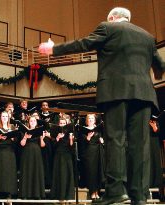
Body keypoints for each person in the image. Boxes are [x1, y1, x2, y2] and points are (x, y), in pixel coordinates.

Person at [39, 7, 165, 205]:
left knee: (115, 140)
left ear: (113, 18)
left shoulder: (108, 28)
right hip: (143, 94)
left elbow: (84, 44)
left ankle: (116, 192)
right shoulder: (147, 37)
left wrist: (54, 49)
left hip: (116, 91)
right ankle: (139, 196)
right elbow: (160, 67)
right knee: (140, 146)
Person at [0, 111, 18, 198]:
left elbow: (16, 140)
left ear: (8, 118)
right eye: (3, 116)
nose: (5, 118)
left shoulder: (12, 127)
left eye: (6, 116)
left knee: (8, 172)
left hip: (9, 151)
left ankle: (9, 192)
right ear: (0, 117)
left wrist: (12, 137)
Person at [78, 114, 105, 200]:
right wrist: (87, 138)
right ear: (86, 120)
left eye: (92, 118)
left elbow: (101, 139)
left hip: (98, 152)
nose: (90, 119)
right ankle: (92, 192)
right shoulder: (83, 130)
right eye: (89, 118)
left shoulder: (98, 128)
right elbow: (81, 144)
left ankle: (97, 191)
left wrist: (102, 141)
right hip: (89, 153)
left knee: (98, 171)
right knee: (91, 172)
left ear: (95, 120)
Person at [50, 116, 75, 200]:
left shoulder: (69, 134)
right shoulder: (55, 133)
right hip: (58, 156)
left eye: (64, 123)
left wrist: (71, 139)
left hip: (67, 156)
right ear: (58, 124)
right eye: (61, 123)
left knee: (67, 174)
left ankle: (68, 195)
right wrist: (57, 138)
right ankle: (58, 195)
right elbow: (53, 147)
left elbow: (72, 148)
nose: (62, 125)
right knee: (59, 174)